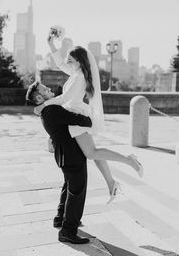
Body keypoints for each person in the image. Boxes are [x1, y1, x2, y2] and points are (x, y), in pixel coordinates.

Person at [34, 35, 143, 201]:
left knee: (92, 153)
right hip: (74, 116)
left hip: (76, 117)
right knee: (94, 153)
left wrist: (44, 104)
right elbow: (61, 64)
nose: (67, 63)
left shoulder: (79, 77)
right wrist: (51, 44)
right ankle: (112, 184)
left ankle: (129, 161)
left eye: (71, 60)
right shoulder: (77, 72)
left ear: (79, 61)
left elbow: (64, 99)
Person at [26, 82, 91, 244]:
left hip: (64, 155)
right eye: (45, 90)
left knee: (69, 187)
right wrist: (88, 116)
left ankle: (60, 218)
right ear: (40, 97)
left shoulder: (47, 110)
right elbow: (84, 121)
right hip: (71, 155)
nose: (50, 90)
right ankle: (68, 231)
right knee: (77, 191)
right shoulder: (52, 110)